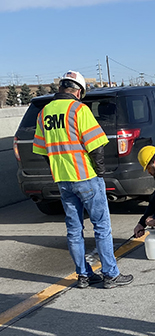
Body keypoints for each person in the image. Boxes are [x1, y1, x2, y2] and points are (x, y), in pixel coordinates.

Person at [33, 70, 133, 289]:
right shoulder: (79, 109)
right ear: (78, 91)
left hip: (63, 180)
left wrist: (56, 167)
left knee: (74, 230)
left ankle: (84, 276)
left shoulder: (44, 113)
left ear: (61, 88)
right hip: (86, 176)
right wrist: (100, 173)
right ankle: (110, 275)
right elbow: (95, 145)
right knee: (101, 227)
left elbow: (41, 150)